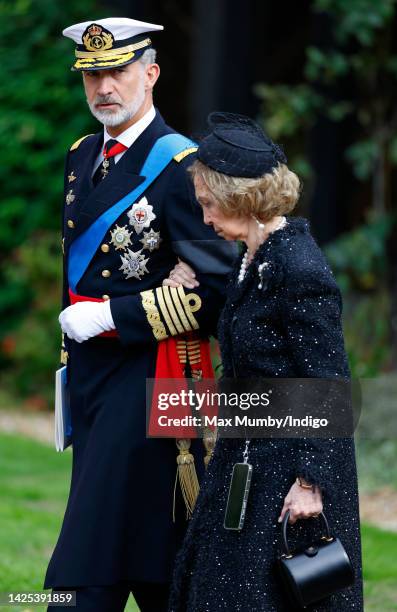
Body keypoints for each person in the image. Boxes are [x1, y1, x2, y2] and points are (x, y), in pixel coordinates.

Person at [43, 19, 236, 612]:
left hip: (155, 378)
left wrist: (110, 317)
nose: (104, 86)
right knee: (149, 545)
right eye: (92, 74)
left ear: (150, 74)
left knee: (89, 554)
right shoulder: (82, 157)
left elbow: (218, 290)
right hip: (92, 379)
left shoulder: (183, 167)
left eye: (118, 71)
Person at [164, 113, 364, 611]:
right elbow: (249, 343)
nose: (205, 219)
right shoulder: (254, 258)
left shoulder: (300, 267)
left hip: (288, 474)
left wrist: (309, 484)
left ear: (239, 198)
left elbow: (329, 384)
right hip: (246, 458)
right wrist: (191, 287)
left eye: (209, 204)